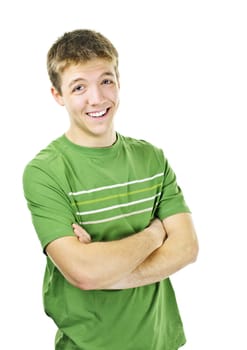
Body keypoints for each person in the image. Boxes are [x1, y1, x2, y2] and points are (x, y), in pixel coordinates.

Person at [23, 29, 198, 350]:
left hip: (161, 341)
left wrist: (110, 273)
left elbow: (186, 249)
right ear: (57, 95)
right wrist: (155, 235)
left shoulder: (152, 159)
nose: (97, 98)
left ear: (119, 82)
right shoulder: (45, 172)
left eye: (106, 80)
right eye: (79, 87)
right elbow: (84, 273)